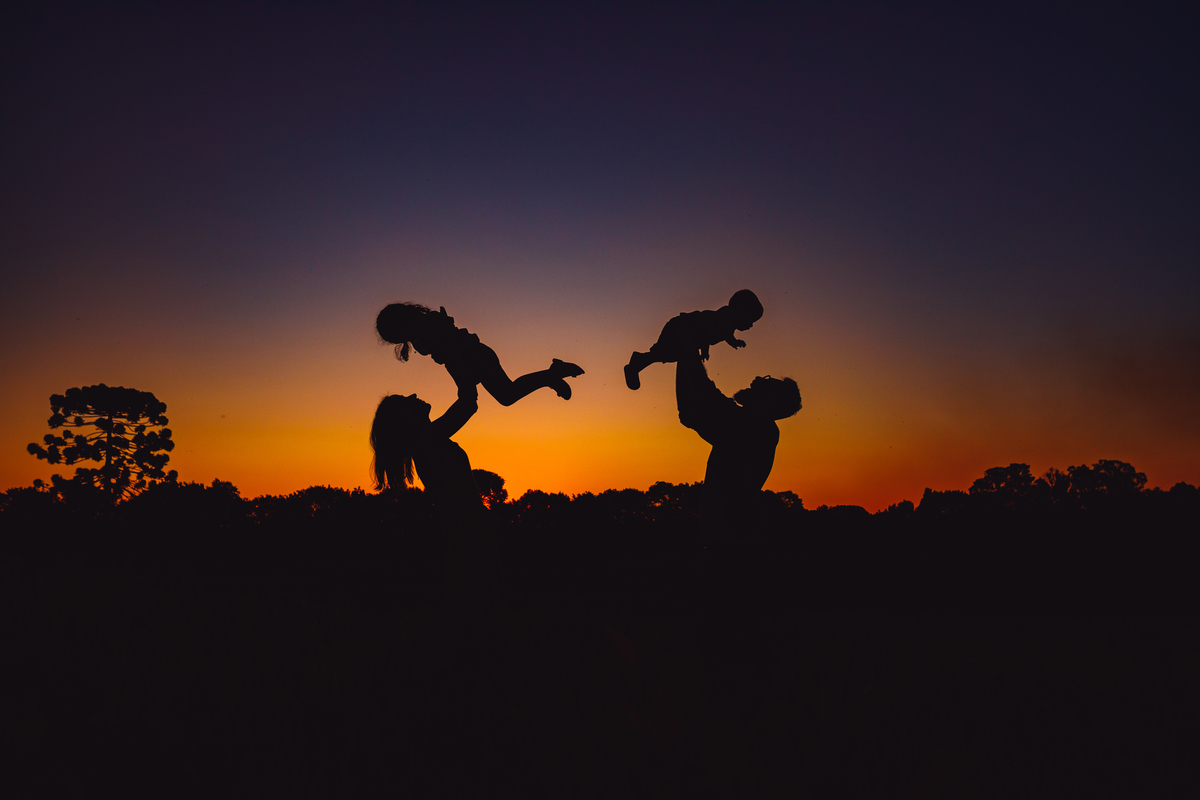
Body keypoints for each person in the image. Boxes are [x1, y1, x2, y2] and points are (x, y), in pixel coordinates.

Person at [674, 351, 800, 797]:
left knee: (723, 636)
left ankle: (733, 735)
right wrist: (687, 361)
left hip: (732, 542)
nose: (758, 377)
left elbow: (697, 407)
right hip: (736, 539)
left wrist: (689, 355)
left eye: (766, 383)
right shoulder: (758, 426)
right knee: (733, 633)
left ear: (769, 402)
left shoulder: (750, 425)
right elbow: (697, 411)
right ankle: (741, 725)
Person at [377, 302, 585, 401]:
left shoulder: (424, 326)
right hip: (473, 358)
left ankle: (551, 375)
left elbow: (449, 349)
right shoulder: (419, 330)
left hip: (475, 356)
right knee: (507, 393)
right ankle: (551, 375)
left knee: (507, 395)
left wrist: (463, 379)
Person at [624, 289, 764, 390]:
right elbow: (707, 331)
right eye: (750, 319)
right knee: (671, 354)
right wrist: (731, 342)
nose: (750, 325)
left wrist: (708, 349)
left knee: (667, 354)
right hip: (682, 328)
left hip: (684, 330)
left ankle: (638, 361)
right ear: (740, 308)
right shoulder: (727, 317)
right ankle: (638, 362)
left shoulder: (727, 324)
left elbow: (709, 335)